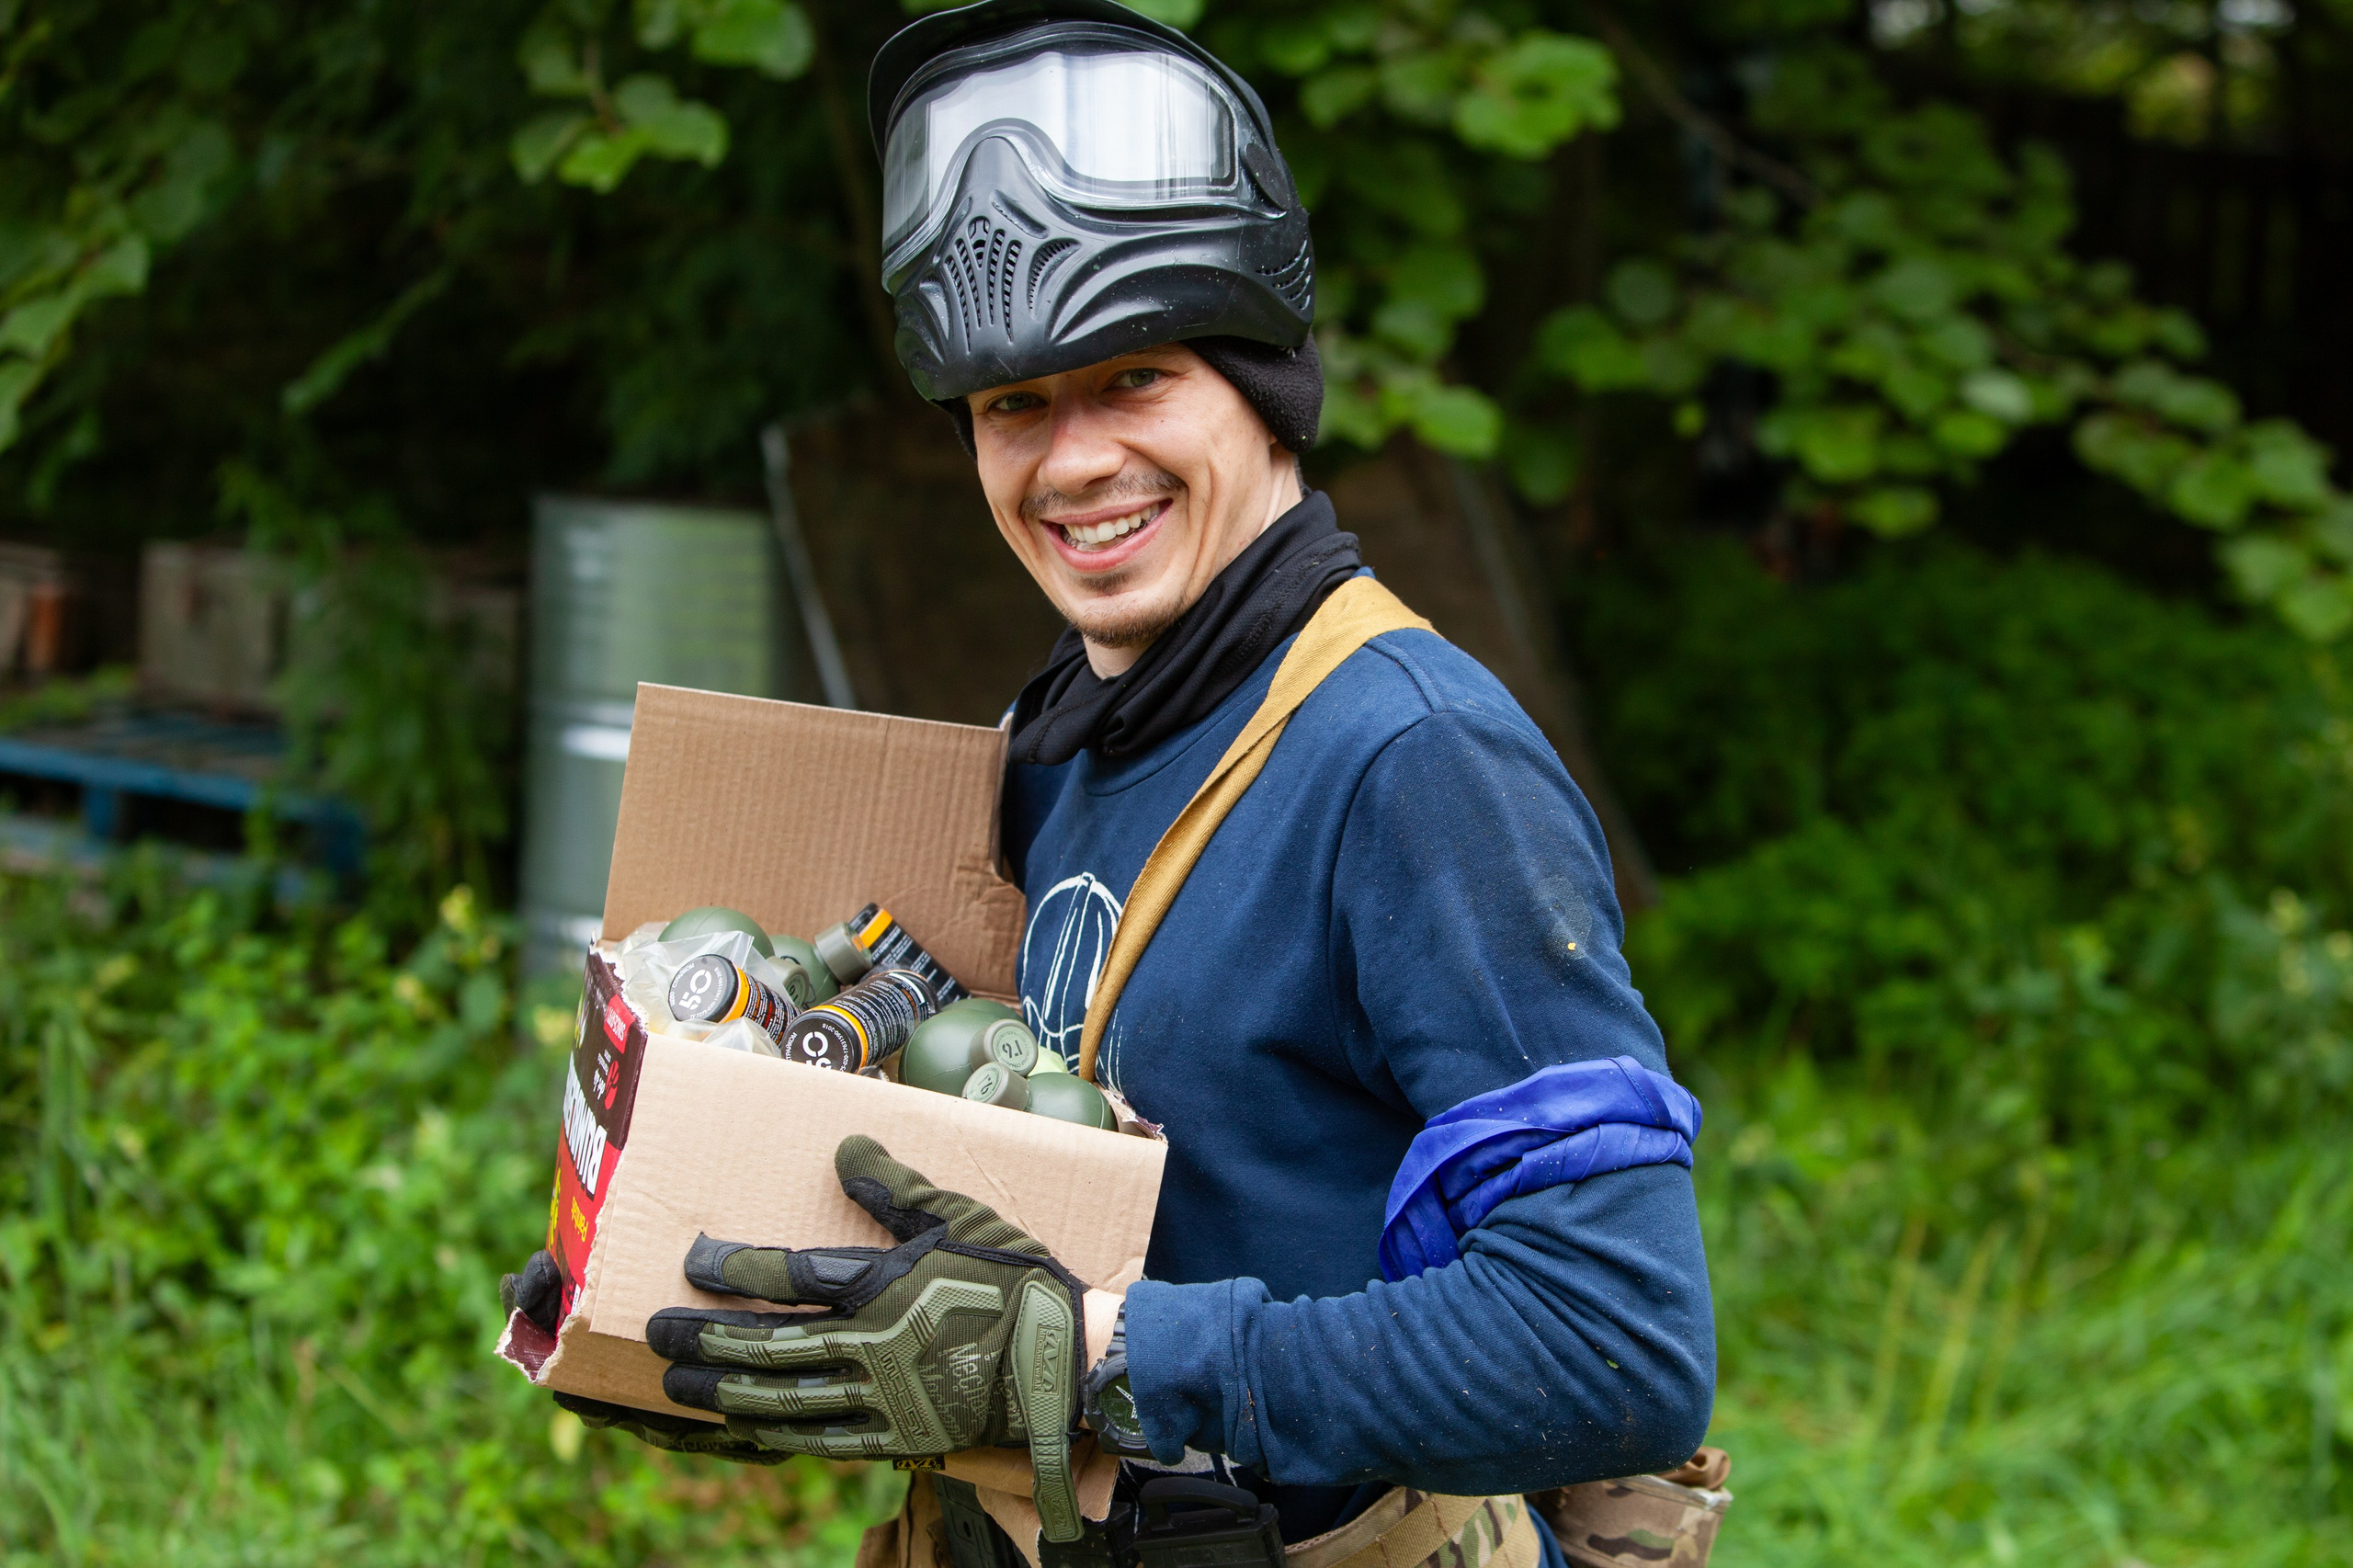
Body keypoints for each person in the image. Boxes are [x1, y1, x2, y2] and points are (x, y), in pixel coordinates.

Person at [506, 4, 1714, 1564]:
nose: (1071, 462)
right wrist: (683, 1268)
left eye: (1133, 379)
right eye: (1015, 406)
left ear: (1264, 387)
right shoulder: (1070, 738)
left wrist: (1105, 1357)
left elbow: (1613, 1341)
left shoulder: (1411, 762)